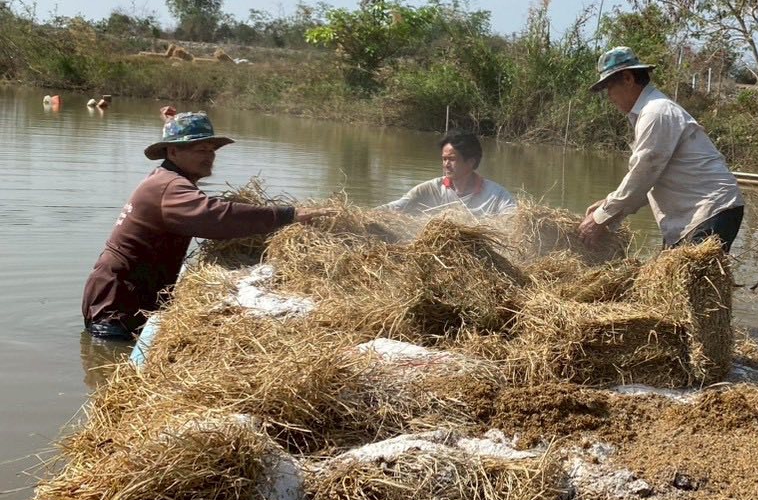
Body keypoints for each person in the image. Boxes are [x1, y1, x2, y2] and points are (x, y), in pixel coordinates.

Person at [81, 112, 332, 338]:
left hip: (132, 294)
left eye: (211, 150)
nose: (209, 157)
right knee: (109, 369)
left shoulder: (167, 180)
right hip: (118, 302)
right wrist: (289, 215)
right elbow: (216, 217)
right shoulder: (169, 186)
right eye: (200, 150)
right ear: (173, 152)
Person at [578, 47, 745, 251]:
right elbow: (646, 181)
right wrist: (608, 206)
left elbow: (643, 175)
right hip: (697, 216)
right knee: (668, 279)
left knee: (687, 282)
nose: (610, 96)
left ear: (628, 78)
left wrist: (601, 217)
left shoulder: (656, 112)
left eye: (610, 87)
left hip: (709, 211)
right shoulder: (650, 112)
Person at [382, 132, 517, 218]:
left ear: (470, 162)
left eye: (452, 159)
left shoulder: (496, 195)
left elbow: (514, 220)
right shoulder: (431, 189)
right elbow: (395, 207)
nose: (446, 164)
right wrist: (365, 216)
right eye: (444, 159)